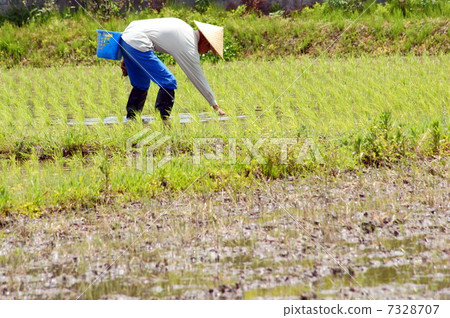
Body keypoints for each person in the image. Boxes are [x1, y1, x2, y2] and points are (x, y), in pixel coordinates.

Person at [119, 18, 226, 120]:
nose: (207, 52)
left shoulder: (184, 27)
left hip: (126, 39)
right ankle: (162, 120)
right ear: (205, 41)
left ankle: (132, 120)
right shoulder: (188, 45)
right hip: (138, 44)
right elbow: (198, 78)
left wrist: (127, 54)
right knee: (168, 82)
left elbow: (141, 30)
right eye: (209, 48)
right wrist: (215, 105)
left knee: (141, 84)